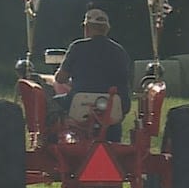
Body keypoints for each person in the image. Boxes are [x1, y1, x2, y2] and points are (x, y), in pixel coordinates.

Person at [54, 7, 132, 141]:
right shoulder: (120, 51)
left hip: (79, 104)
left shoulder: (77, 47)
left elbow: (60, 79)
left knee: (51, 103)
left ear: (87, 28)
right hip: (113, 106)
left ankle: (49, 140)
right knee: (113, 117)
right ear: (107, 29)